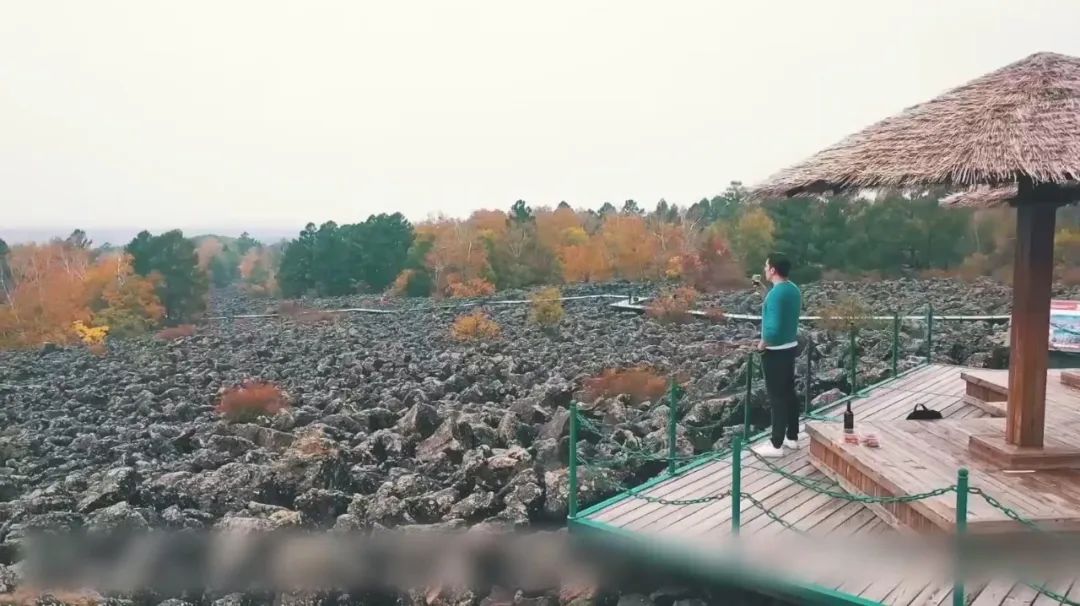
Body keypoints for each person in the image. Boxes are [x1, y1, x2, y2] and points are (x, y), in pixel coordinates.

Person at [752, 253, 802, 458]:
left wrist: (762, 344)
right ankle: (792, 437)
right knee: (789, 393)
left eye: (766, 266)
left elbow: (771, 331)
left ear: (773, 270)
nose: (764, 269)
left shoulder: (775, 295)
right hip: (790, 347)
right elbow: (784, 312)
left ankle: (775, 444)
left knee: (777, 398)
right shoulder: (793, 289)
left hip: (775, 352)